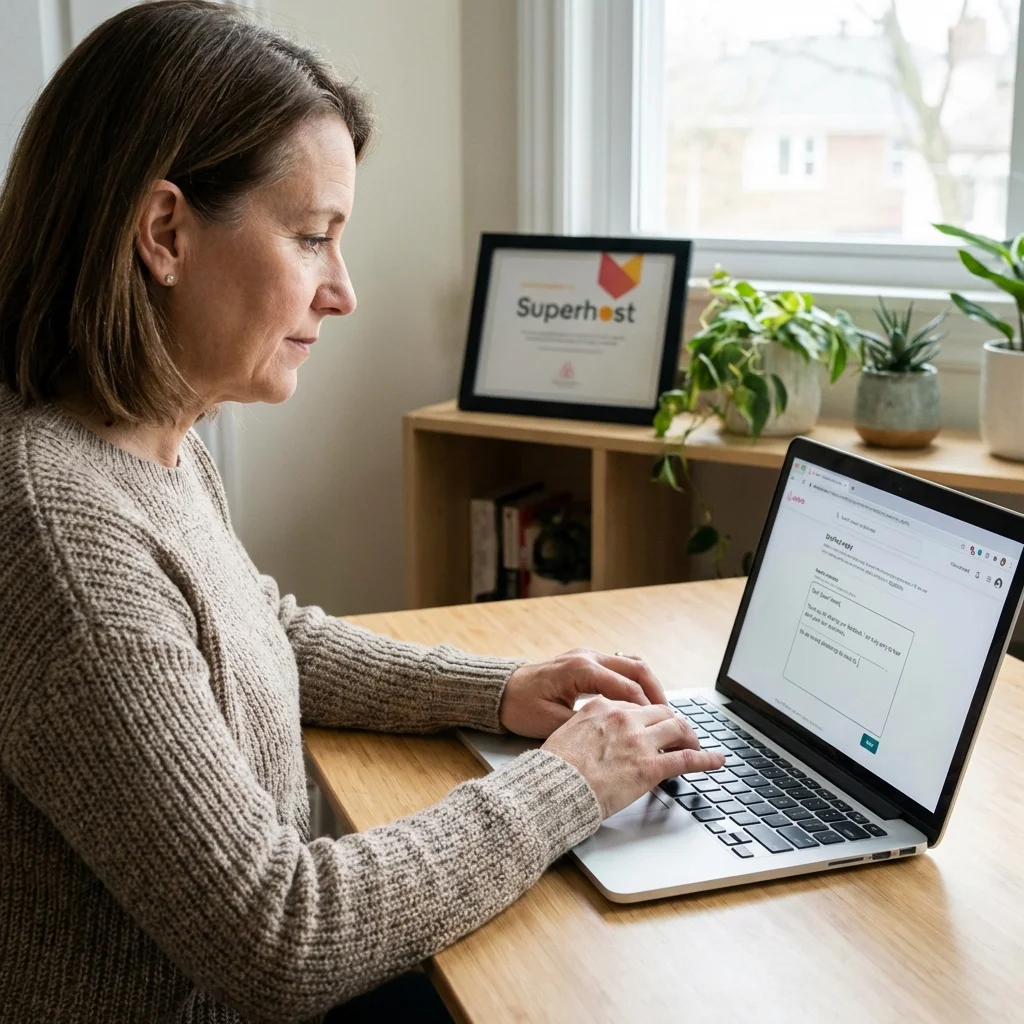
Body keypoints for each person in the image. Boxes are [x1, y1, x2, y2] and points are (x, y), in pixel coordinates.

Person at [0, 3, 723, 1021]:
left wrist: (501, 689)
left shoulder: (147, 437)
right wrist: (568, 782)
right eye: (312, 238)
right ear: (164, 233)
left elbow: (257, 631)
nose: (343, 291)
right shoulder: (60, 534)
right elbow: (281, 936)